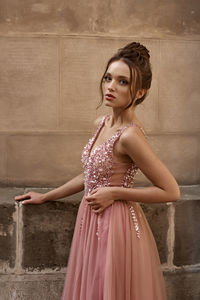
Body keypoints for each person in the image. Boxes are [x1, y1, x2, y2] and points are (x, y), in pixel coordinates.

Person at [15, 42, 180, 300]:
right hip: (91, 220)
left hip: (117, 226)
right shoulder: (101, 122)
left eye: (123, 82)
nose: (111, 87)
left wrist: (115, 193)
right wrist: (47, 196)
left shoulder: (130, 136)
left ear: (140, 92)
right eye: (108, 78)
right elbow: (91, 175)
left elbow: (171, 190)